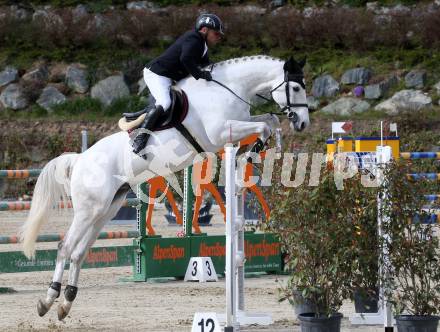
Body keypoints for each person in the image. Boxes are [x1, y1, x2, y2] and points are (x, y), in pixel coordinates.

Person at [132, 13, 224, 155]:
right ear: (204, 30)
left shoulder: (202, 45)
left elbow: (206, 64)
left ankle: (149, 114)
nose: (218, 37)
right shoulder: (193, 39)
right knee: (165, 102)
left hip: (170, 76)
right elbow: (186, 59)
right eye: (216, 33)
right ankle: (140, 138)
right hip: (157, 74)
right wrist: (200, 75)